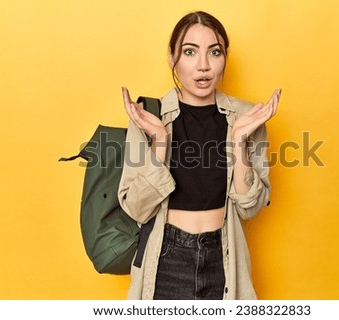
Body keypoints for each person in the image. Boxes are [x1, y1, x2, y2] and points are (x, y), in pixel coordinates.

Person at [118, 11, 281, 300]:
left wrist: (239, 140)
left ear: (225, 57)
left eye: (214, 52)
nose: (203, 66)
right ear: (172, 58)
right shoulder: (149, 116)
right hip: (166, 257)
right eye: (189, 52)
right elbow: (137, 209)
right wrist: (159, 140)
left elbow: (249, 208)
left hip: (224, 255)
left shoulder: (246, 118)